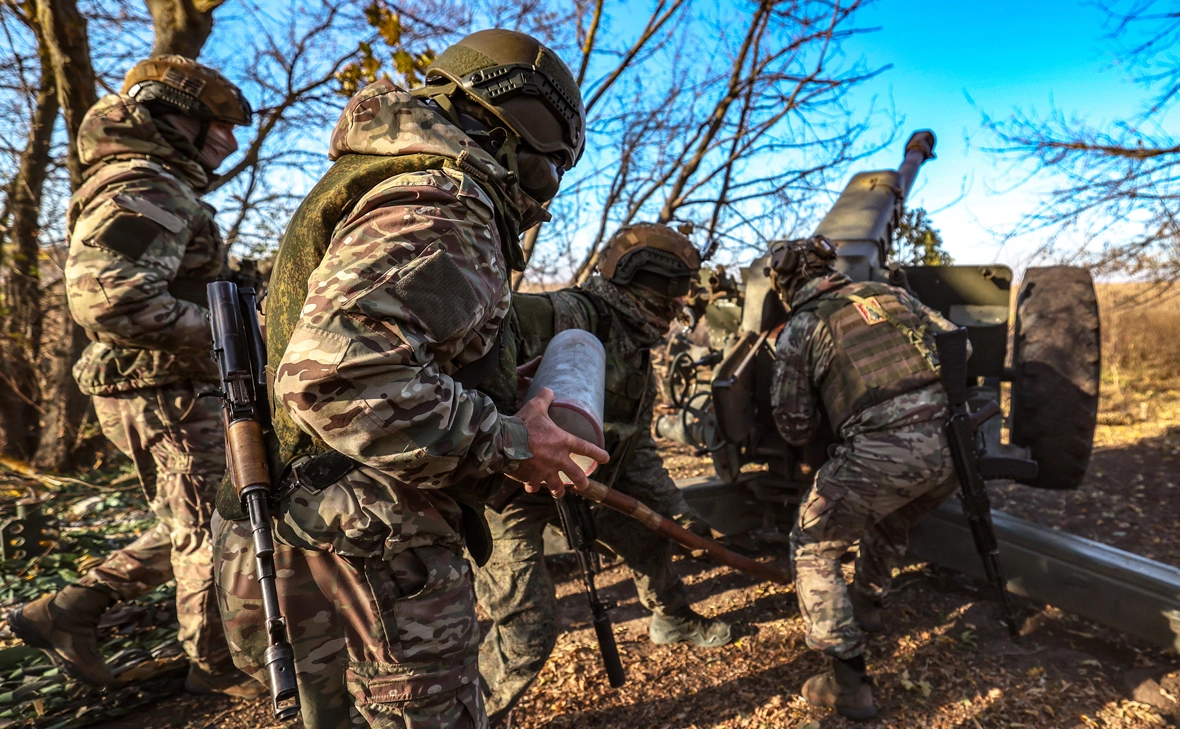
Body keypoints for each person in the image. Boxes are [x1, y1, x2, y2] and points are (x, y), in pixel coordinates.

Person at [211, 29, 606, 729]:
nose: (544, 194)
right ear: (516, 132)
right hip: (373, 539)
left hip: (302, 525)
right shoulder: (445, 199)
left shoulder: (377, 179)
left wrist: (490, 384)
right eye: (549, 168)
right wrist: (513, 441)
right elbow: (336, 377)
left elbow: (369, 351)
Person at [7, 56, 258, 697]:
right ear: (174, 118)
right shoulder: (148, 186)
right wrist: (233, 334)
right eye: (219, 125)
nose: (231, 141)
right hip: (166, 392)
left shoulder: (154, 184)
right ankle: (217, 666)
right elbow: (111, 299)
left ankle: (71, 609)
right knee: (208, 528)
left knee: (200, 514)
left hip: (168, 387)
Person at [477, 223, 733, 724]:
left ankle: (672, 618)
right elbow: (470, 359)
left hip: (581, 484)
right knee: (528, 627)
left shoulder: (637, 358)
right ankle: (471, 714)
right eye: (668, 303)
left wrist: (678, 514)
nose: (672, 316)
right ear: (639, 285)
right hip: (507, 493)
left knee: (648, 537)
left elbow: (638, 453)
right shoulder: (555, 316)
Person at [767, 236, 963, 720]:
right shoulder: (891, 295)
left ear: (784, 284)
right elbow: (961, 344)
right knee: (891, 518)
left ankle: (848, 683)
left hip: (884, 455)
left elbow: (794, 427)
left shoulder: (802, 326)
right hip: (952, 451)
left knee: (813, 547)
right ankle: (868, 605)